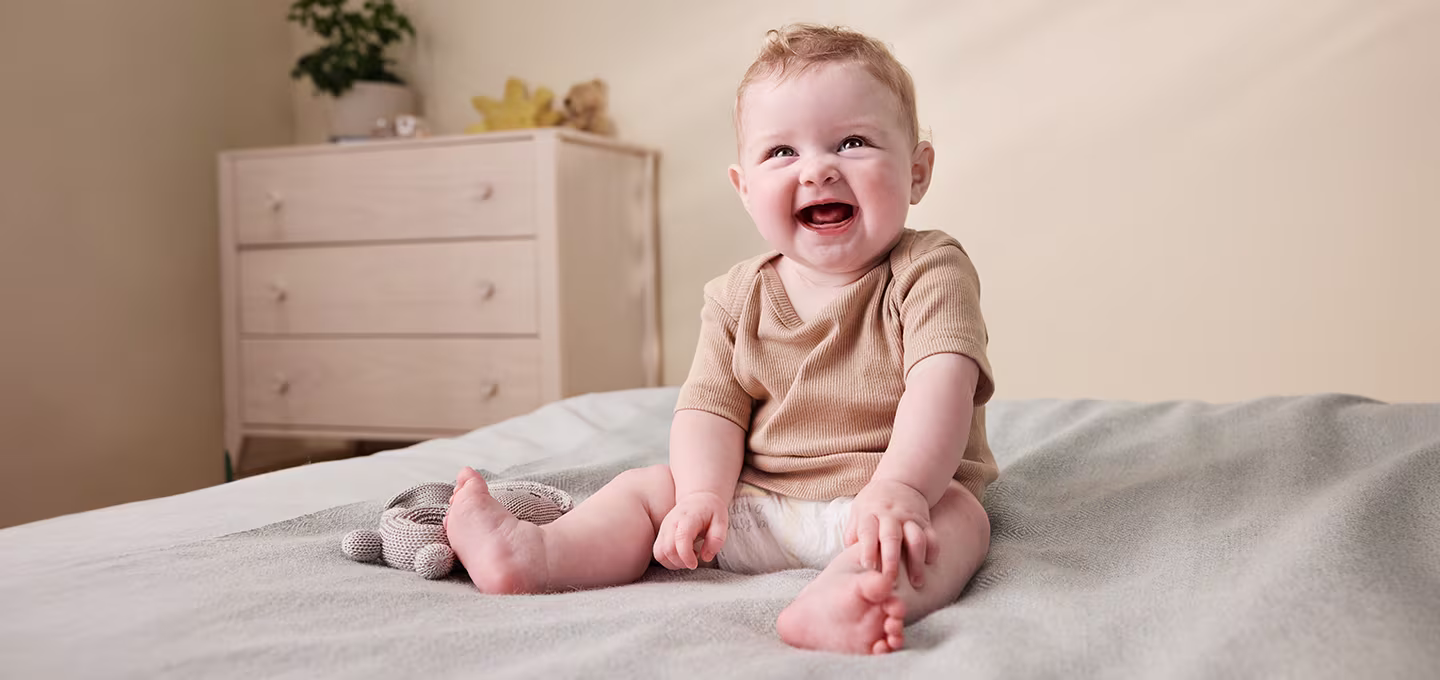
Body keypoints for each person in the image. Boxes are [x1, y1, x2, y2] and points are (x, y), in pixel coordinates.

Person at [445, 23, 997, 655]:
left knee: (961, 519)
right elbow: (710, 406)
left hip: (887, 507)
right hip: (752, 506)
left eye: (852, 142)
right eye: (781, 153)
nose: (817, 170)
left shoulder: (928, 268)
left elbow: (941, 383)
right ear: (744, 189)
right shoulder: (736, 295)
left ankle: (851, 597)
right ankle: (538, 554)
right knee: (648, 490)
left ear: (917, 171)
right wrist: (702, 496)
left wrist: (901, 488)